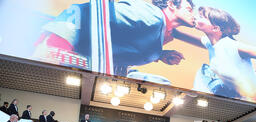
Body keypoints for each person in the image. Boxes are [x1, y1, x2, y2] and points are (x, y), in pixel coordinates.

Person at [34, 0, 196, 76]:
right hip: (59, 40)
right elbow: (92, 11)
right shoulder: (152, 16)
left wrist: (160, 55)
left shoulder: (159, 29)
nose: (193, 15)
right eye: (189, 9)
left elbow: (124, 42)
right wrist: (58, 42)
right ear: (171, 5)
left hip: (78, 54)